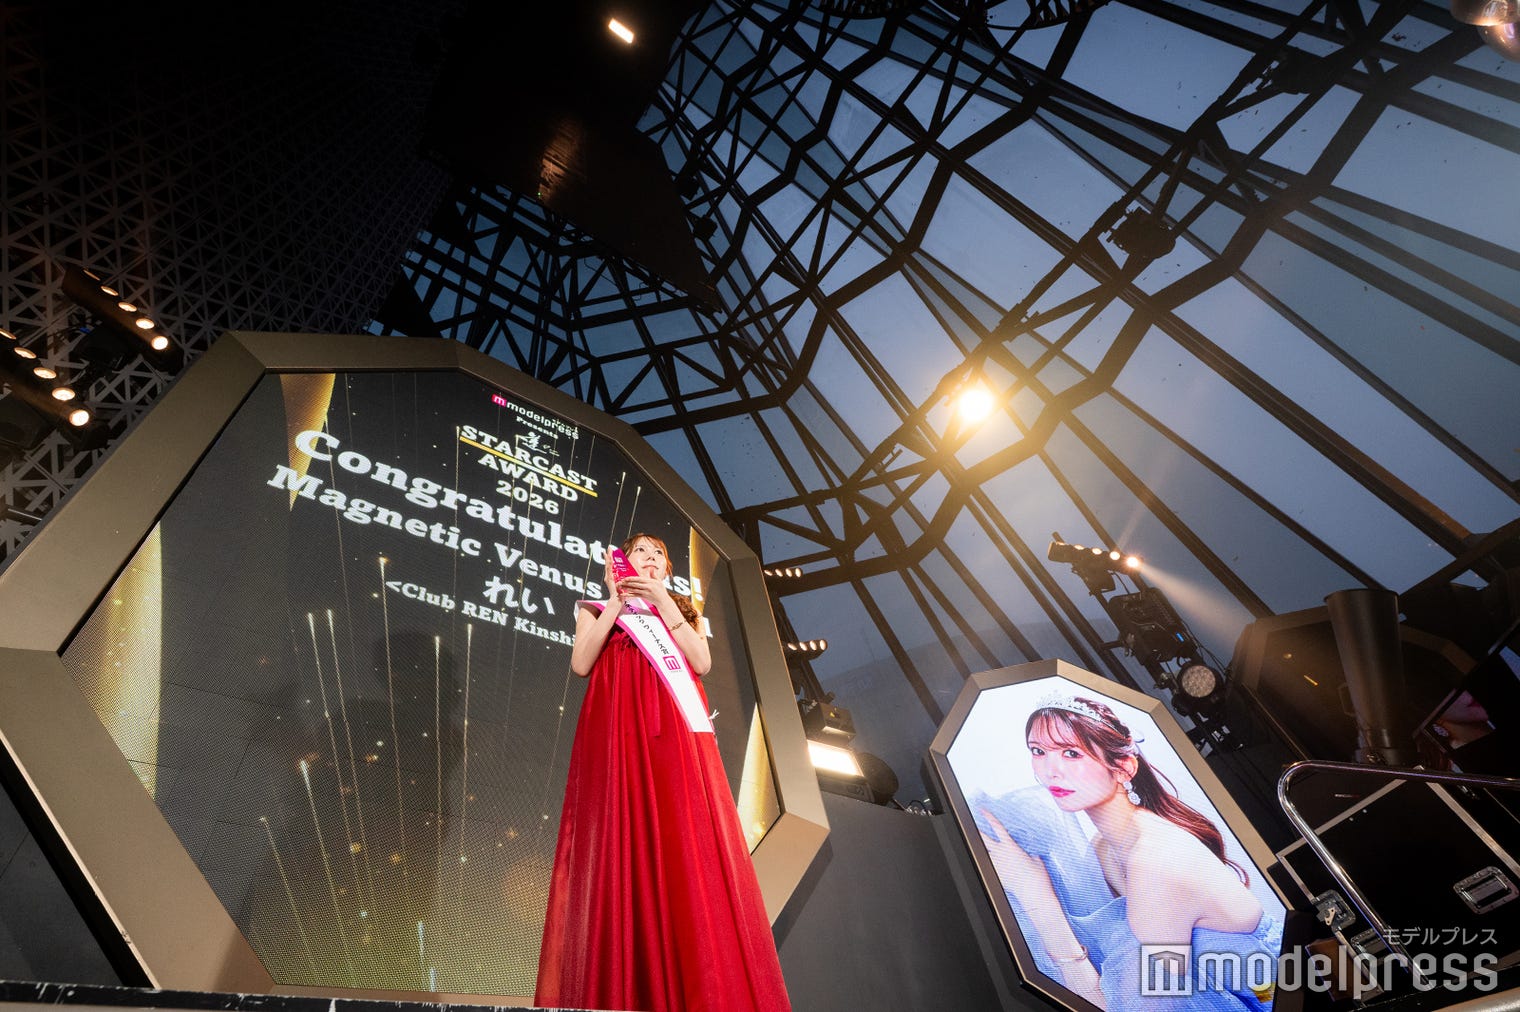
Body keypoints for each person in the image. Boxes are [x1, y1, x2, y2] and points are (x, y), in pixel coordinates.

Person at [535, 533, 792, 1012]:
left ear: (667, 571)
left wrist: (662, 602)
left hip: (674, 733)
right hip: (617, 730)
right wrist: (616, 601)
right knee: (620, 833)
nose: (651, 558)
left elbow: (701, 662)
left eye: (659, 555)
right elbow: (581, 663)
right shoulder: (596, 608)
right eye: (641, 551)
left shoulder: (681, 612)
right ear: (620, 562)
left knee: (683, 835)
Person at [978, 694, 1279, 1011]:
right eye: (1038, 751)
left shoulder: (1153, 865)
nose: (1050, 771)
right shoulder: (1106, 847)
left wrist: (1038, 900)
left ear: (1123, 768)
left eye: (1071, 753)